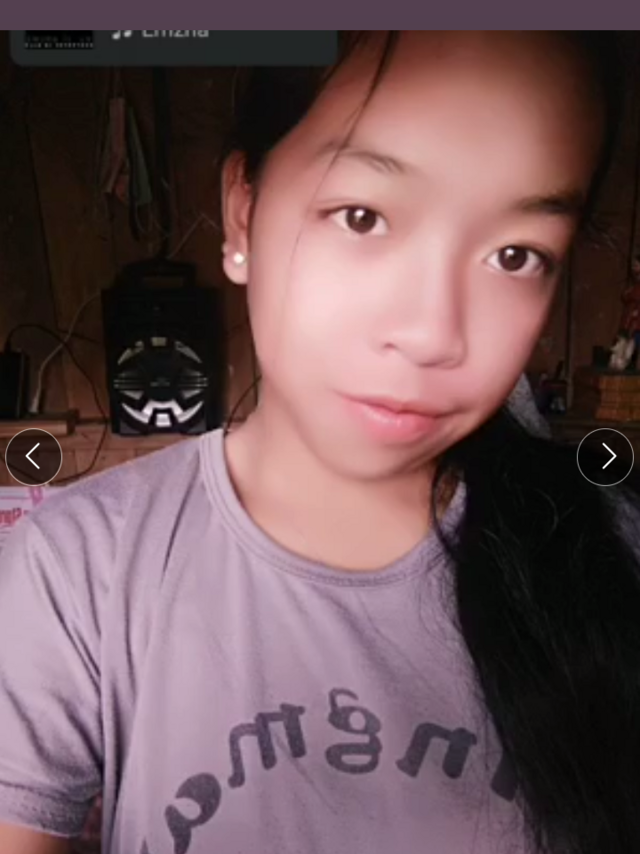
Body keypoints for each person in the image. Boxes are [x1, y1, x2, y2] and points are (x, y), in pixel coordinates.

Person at [0, 30, 638, 854]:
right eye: (363, 216)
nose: (432, 333)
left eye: (515, 255)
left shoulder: (613, 555)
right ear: (243, 211)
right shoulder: (76, 571)